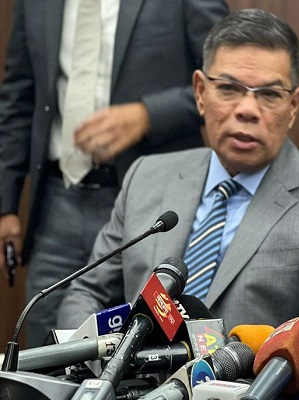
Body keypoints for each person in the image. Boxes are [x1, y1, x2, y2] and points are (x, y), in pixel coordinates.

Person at [57, 9, 299, 361]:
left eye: (269, 94)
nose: (247, 109)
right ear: (200, 92)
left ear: (293, 105)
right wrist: (97, 364)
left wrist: (232, 368)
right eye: (228, 89)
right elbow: (86, 293)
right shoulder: (145, 176)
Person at [0, 0, 229, 347]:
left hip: (150, 207)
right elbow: (18, 94)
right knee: (47, 350)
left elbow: (225, 81)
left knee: (147, 342)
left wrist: (147, 116)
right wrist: (6, 206)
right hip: (57, 203)